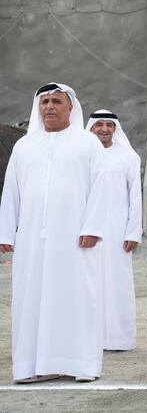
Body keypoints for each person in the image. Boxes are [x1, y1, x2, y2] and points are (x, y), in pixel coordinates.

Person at [0, 83, 109, 383]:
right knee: (30, 299)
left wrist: (93, 227)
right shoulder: (24, 146)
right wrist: (6, 232)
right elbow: (11, 191)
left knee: (76, 298)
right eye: (45, 101)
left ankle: (80, 366)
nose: (49, 106)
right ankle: (33, 366)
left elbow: (102, 188)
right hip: (32, 240)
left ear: (70, 107)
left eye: (56, 101)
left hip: (76, 239)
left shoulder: (87, 143)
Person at [87, 110, 142, 351]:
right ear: (90, 128)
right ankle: (89, 337)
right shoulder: (82, 154)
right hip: (87, 231)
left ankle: (119, 339)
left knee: (117, 284)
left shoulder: (128, 156)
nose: (104, 129)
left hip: (118, 230)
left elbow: (135, 198)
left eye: (109, 125)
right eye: (99, 124)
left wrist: (132, 232)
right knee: (89, 283)